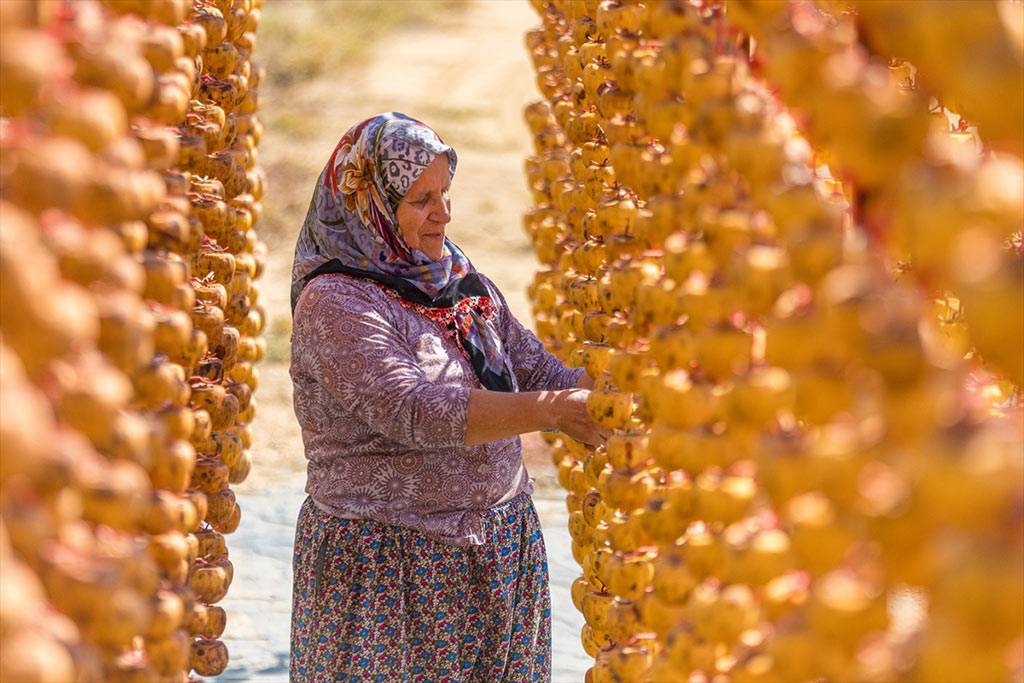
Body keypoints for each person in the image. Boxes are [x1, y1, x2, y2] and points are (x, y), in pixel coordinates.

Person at [288, 112, 607, 683]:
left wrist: (615, 393)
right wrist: (553, 411)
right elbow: (414, 411)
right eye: (420, 200)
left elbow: (530, 365)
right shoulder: (335, 303)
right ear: (372, 206)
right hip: (389, 567)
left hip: (497, 552)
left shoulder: (454, 277)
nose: (443, 214)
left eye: (445, 193)